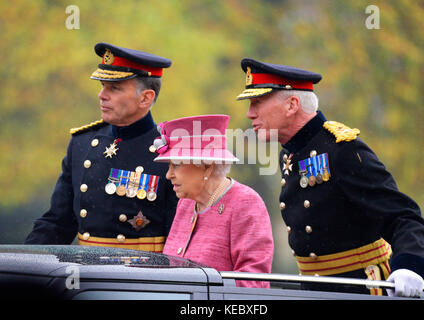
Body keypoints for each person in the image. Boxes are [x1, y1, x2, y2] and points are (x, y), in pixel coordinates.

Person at [236, 58, 424, 297]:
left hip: (361, 290)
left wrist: (410, 267)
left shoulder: (342, 150)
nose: (249, 114)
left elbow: (404, 217)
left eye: (257, 103)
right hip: (315, 290)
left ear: (292, 105)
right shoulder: (290, 152)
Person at [25, 43, 178, 252]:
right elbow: (58, 223)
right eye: (102, 86)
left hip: (145, 278)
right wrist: (23, 265)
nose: (102, 95)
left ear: (145, 98)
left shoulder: (173, 152)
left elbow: (179, 238)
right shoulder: (82, 143)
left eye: (114, 88)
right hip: (87, 276)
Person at [151, 114, 274, 288]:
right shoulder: (186, 203)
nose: (168, 174)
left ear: (207, 166)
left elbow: (253, 283)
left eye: (176, 164)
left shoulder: (245, 202)